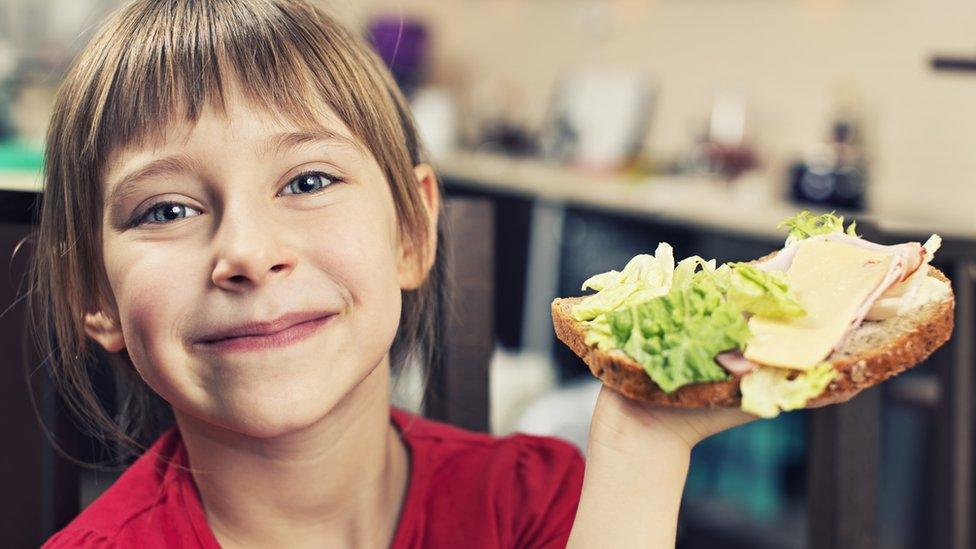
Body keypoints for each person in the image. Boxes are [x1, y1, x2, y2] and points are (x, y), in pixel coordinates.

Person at [34, 1, 754, 547]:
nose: (249, 252)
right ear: (91, 294)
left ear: (411, 228)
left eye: (309, 181)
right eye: (165, 209)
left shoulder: (549, 504)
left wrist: (642, 450)